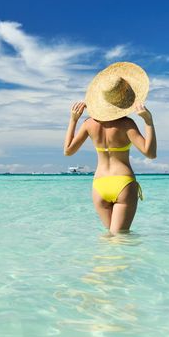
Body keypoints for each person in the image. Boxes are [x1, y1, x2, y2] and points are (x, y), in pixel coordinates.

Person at [63, 62, 157, 236]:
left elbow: (68, 151)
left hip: (99, 185)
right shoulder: (127, 124)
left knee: (109, 238)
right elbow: (150, 154)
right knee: (121, 240)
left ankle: (101, 264)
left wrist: (73, 120)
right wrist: (149, 122)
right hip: (123, 183)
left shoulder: (88, 124)